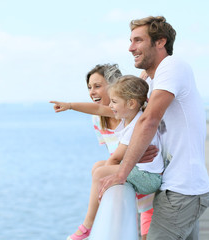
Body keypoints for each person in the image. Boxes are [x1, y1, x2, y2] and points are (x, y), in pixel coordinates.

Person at [98, 16, 209, 239]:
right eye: (131, 41)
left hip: (182, 190)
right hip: (181, 188)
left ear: (160, 42)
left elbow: (148, 120)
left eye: (138, 40)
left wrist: (121, 173)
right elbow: (127, 106)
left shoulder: (172, 66)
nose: (131, 48)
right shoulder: (154, 78)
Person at [51, 64, 157, 239]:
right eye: (89, 87)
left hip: (149, 188)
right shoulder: (103, 120)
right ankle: (90, 225)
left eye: (97, 86)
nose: (92, 92)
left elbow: (116, 158)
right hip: (134, 180)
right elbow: (101, 113)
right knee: (99, 167)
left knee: (101, 171)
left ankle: (88, 225)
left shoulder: (133, 117)